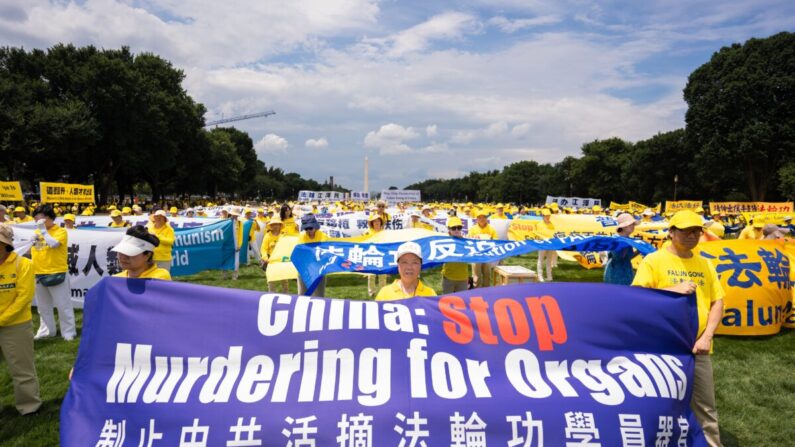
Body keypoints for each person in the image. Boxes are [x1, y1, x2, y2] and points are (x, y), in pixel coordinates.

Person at [632, 210, 724, 447]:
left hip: (698, 348)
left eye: (697, 231)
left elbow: (717, 302)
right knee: (659, 402)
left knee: (705, 406)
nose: (692, 236)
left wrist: (707, 337)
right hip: (662, 347)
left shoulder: (705, 264)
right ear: (671, 232)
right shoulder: (653, 260)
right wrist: (672, 289)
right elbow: (637, 296)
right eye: (686, 231)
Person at [0, 223, 42, 415]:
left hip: (16, 325)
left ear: (6, 244)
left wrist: (2, 320)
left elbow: (23, 298)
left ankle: (29, 406)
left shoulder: (23, 264)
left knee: (22, 369)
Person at [30, 204, 75, 341]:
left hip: (57, 272)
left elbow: (54, 244)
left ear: (48, 218)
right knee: (43, 307)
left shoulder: (60, 231)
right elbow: (36, 250)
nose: (37, 222)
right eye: (35, 219)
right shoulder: (37, 232)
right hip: (39, 273)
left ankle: (68, 332)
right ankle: (47, 331)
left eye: (39, 219)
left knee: (63, 305)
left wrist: (43, 231)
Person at [296, 214, 328, 296]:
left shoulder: (322, 236)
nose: (309, 230)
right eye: (306, 229)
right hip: (304, 269)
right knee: (302, 294)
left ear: (315, 226)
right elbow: (301, 252)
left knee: (319, 295)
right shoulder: (301, 236)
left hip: (319, 269)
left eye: (310, 228)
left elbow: (323, 251)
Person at [603, 213, 638, 285]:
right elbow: (618, 257)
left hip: (626, 270)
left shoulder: (627, 240)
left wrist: (639, 250)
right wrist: (625, 244)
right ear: (624, 226)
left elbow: (627, 257)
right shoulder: (616, 240)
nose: (633, 226)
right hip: (615, 273)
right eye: (631, 224)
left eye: (633, 224)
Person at [468, 208, 498, 288]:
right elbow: (468, 240)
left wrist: (491, 240)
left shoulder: (491, 229)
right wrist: (473, 238)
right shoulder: (472, 229)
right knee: (476, 276)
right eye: (479, 217)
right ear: (477, 219)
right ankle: (476, 291)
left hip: (487, 255)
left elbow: (496, 241)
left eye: (483, 217)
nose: (481, 219)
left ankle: (486, 291)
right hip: (476, 255)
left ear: (486, 218)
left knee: (487, 275)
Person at [441, 217, 470, 293]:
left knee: (461, 302)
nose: (457, 230)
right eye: (454, 228)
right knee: (446, 301)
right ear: (449, 229)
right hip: (448, 277)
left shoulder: (467, 242)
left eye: (459, 228)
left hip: (463, 278)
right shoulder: (444, 242)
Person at [260, 216, 288, 293]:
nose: (275, 226)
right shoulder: (267, 235)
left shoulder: (284, 235)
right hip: (270, 261)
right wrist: (265, 258)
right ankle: (271, 294)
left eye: (277, 224)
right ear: (271, 226)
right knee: (271, 280)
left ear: (280, 225)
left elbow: (287, 247)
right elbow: (263, 249)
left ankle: (285, 295)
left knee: (284, 280)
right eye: (274, 224)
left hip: (282, 260)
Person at [364, 214, 389, 297]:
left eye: (378, 221)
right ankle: (371, 292)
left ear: (381, 222)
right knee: (371, 275)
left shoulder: (384, 233)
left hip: (382, 256)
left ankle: (383, 291)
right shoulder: (367, 233)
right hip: (371, 255)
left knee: (382, 275)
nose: (376, 223)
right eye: (374, 221)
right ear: (372, 223)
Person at [536, 208, 557, 282]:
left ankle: (549, 276)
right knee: (540, 260)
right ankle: (540, 276)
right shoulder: (539, 225)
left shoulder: (552, 224)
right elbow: (538, 235)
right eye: (546, 216)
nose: (548, 217)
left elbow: (554, 234)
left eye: (549, 216)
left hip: (550, 245)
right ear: (543, 216)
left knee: (549, 261)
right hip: (542, 245)